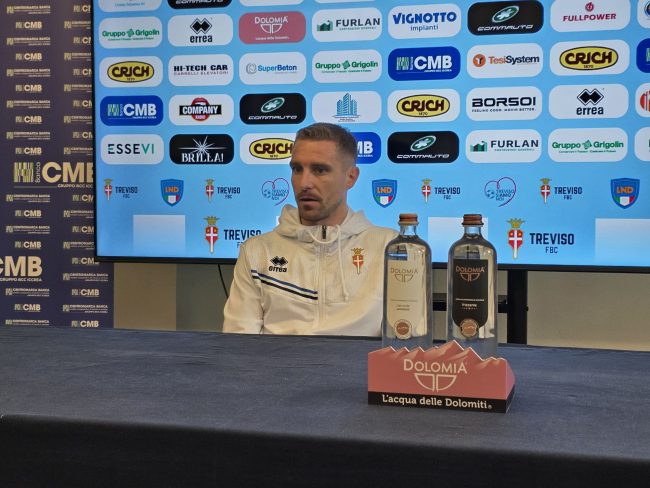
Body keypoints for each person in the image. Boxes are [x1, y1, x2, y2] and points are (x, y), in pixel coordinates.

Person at [223, 122, 396, 335]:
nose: (304, 183)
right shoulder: (256, 251)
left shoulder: (390, 249)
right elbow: (238, 343)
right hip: (276, 359)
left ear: (351, 177)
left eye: (319, 170)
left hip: (361, 359)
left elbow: (403, 343)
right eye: (297, 169)